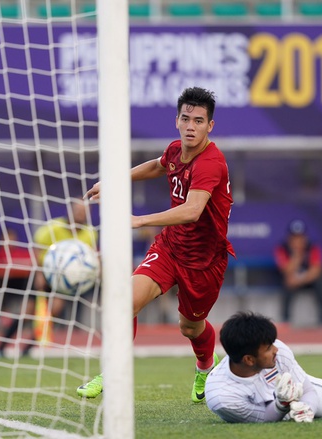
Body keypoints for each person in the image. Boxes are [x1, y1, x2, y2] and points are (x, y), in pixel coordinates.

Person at [77, 86, 234, 403]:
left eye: (199, 121)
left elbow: (192, 211)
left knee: (190, 328)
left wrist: (139, 220)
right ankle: (113, 370)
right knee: (123, 302)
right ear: (177, 120)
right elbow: (158, 165)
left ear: (210, 126)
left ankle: (205, 364)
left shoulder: (211, 163)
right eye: (186, 119)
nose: (191, 127)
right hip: (170, 248)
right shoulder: (177, 149)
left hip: (204, 261)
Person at [32, 198, 98, 344]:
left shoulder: (90, 233)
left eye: (84, 211)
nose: (80, 214)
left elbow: (90, 255)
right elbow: (37, 248)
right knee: (27, 312)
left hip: (64, 279)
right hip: (43, 272)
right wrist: (38, 274)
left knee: (54, 309)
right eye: (78, 211)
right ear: (71, 211)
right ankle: (2, 347)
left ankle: (31, 344)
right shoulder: (53, 227)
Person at [0, 228, 36, 357]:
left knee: (37, 316)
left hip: (27, 289)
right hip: (5, 292)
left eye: (12, 238)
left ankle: (27, 349)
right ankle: (5, 314)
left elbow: (32, 266)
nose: (9, 242)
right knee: (23, 315)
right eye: (6, 239)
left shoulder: (23, 253)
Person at [273, 219, 322, 327]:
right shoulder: (282, 248)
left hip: (307, 280)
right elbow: (286, 270)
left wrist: (300, 280)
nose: (298, 240)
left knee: (320, 284)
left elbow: (316, 270)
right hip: (291, 281)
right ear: (289, 238)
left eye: (300, 237)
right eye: (294, 237)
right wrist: (297, 255)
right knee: (287, 285)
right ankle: (286, 319)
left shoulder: (313, 247)